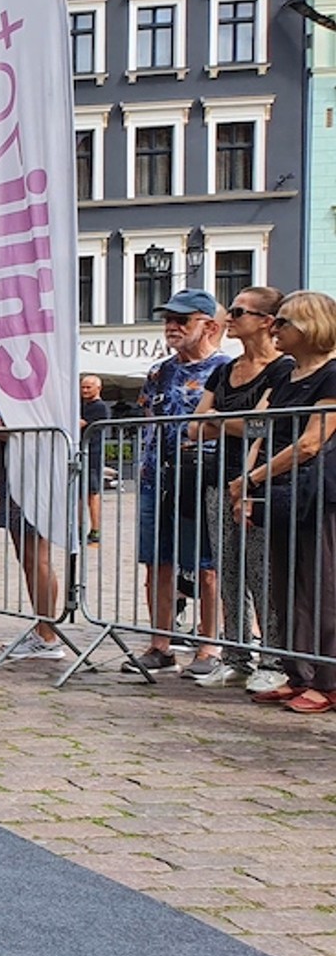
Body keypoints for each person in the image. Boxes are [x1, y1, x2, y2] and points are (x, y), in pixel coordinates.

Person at [230, 289, 336, 714]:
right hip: (279, 490)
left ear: (309, 326)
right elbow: (261, 429)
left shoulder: (332, 374)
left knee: (321, 584)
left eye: (283, 322)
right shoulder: (285, 374)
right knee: (285, 586)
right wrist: (246, 485)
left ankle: (328, 679)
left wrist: (252, 478)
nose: (274, 328)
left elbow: (311, 442)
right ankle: (297, 673)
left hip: (319, 491)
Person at [188, 287, 291, 690]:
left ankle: (274, 657)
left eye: (238, 311)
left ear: (266, 321)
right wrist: (231, 418)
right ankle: (235, 654)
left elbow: (264, 426)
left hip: (262, 482)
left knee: (262, 571)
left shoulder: (283, 369)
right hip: (219, 479)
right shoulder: (223, 370)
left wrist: (220, 416)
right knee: (227, 567)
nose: (229, 317)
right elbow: (196, 427)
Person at [126, 288, 230, 675]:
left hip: (203, 477)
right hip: (157, 477)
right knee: (157, 562)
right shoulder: (160, 370)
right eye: (168, 318)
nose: (172, 326)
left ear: (209, 326)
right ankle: (160, 644)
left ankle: (209, 646)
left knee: (207, 566)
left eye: (182, 319)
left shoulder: (224, 370)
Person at [0, 374, 64, 661]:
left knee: (36, 556)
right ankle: (42, 629)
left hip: (32, 476)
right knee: (27, 558)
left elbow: (37, 427)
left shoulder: (35, 387)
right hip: (9, 476)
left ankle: (48, 634)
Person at [79, 375, 111, 547]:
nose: (84, 390)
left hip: (92, 454)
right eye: (83, 387)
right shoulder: (82, 405)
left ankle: (95, 530)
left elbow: (81, 424)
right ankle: (77, 529)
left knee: (92, 493)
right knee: (78, 494)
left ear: (98, 388)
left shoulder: (99, 407)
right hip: (81, 453)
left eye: (88, 387)